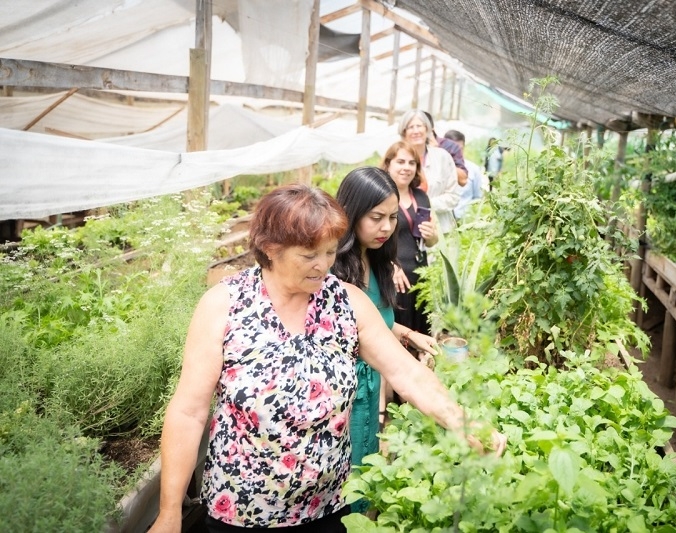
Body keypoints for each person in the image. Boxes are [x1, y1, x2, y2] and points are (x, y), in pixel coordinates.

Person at [148, 184, 505, 533]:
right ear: (270, 248)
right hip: (241, 510)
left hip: (327, 505)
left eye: (331, 252)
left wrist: (462, 422)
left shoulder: (346, 302)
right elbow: (189, 411)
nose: (323, 266)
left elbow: (407, 374)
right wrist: (168, 512)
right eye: (309, 255)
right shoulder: (225, 305)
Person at [331, 167, 438, 513]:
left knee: (362, 472)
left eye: (393, 217)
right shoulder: (331, 268)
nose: (387, 227)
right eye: (376, 217)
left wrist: (409, 334)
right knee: (337, 481)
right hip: (339, 398)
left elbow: (373, 324)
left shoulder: (376, 259)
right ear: (350, 213)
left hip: (370, 387)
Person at [381, 141, 439, 335]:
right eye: (401, 162)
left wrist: (431, 235)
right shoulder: (380, 196)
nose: (406, 167)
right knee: (398, 331)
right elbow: (369, 238)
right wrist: (389, 264)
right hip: (395, 275)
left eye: (412, 163)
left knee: (421, 329)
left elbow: (430, 241)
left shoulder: (421, 196)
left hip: (421, 273)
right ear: (388, 164)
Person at [398, 109, 460, 237]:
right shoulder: (396, 159)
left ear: (428, 129)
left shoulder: (442, 157)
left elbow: (453, 196)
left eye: (419, 126)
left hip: (440, 230)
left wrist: (423, 206)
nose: (416, 131)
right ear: (404, 133)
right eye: (410, 127)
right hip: (404, 230)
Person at [443, 129, 485, 220]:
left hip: (465, 222)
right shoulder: (436, 169)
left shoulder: (473, 169)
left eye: (459, 149)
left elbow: (477, 198)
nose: (455, 153)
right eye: (451, 149)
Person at [422, 110, 468, 187]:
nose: (416, 131)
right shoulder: (405, 148)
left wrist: (438, 153)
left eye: (420, 126)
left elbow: (463, 180)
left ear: (431, 129)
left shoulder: (450, 147)